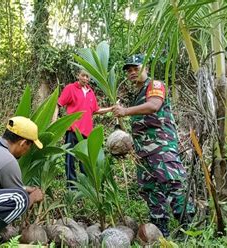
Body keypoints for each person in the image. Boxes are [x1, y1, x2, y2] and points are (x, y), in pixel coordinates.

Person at [113, 54, 194, 237]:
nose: (132, 73)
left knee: (173, 183)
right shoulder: (137, 95)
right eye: (129, 71)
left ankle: (188, 229)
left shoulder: (154, 85)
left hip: (161, 146)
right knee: (150, 189)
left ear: (145, 69)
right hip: (144, 152)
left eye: (136, 68)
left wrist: (125, 111)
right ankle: (160, 229)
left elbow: (154, 105)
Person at [55, 69, 113, 189]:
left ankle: (86, 186)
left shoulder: (91, 92)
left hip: (87, 132)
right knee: (69, 159)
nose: (85, 78)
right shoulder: (70, 88)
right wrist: (54, 122)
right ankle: (71, 186)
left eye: (88, 77)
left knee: (85, 161)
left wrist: (111, 108)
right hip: (73, 130)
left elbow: (96, 110)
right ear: (78, 76)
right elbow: (58, 104)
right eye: (83, 76)